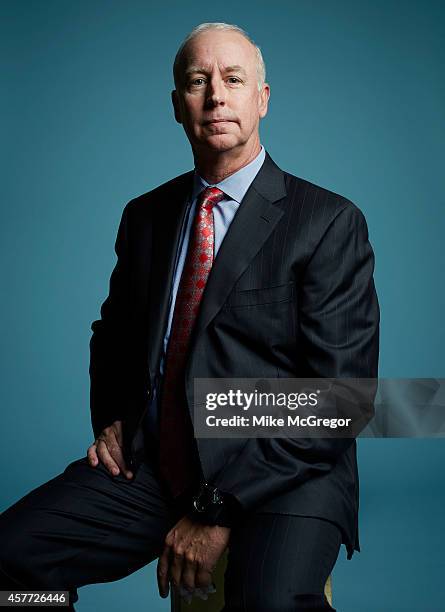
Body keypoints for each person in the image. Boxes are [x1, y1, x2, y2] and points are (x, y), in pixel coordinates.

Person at [0, 22, 379, 611]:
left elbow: (339, 400)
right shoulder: (146, 216)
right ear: (178, 106)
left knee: (268, 601)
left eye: (233, 79)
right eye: (198, 82)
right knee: (12, 561)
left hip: (285, 474)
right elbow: (114, 333)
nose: (217, 96)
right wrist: (114, 421)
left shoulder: (326, 222)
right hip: (161, 466)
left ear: (263, 97)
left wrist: (216, 507)